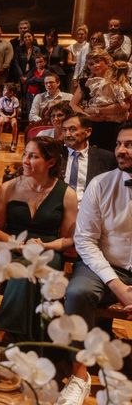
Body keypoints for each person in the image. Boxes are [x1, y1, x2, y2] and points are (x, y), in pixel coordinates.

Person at [57, 122, 132, 405]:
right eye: (118, 144)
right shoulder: (100, 184)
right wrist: (118, 286)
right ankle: (79, 375)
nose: (121, 150)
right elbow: (85, 240)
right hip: (102, 265)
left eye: (129, 144)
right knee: (78, 293)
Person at [0, 136, 77, 347]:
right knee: (24, 268)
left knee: (33, 268)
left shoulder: (67, 194)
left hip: (48, 251)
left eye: (33, 156)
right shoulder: (8, 188)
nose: (25, 160)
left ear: (51, 162)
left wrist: (45, 246)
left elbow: (68, 239)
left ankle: (0, 332)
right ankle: (23, 338)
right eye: (25, 154)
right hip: (11, 246)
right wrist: (19, 245)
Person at [70, 48, 132, 150]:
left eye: (98, 61)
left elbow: (126, 105)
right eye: (91, 64)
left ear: (107, 61)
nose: (95, 65)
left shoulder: (117, 79)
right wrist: (88, 116)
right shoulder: (85, 82)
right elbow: (73, 104)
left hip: (115, 126)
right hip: (94, 125)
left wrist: (98, 110)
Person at [61, 113, 118, 204]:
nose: (67, 134)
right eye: (64, 130)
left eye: (72, 129)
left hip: (91, 210)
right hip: (59, 211)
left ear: (88, 132)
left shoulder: (106, 158)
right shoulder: (55, 155)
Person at [67, 24, 90, 91]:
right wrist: (79, 63)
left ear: (85, 35)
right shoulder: (71, 47)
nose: (80, 36)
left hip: (86, 72)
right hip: (73, 71)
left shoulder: (89, 46)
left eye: (82, 34)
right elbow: (69, 61)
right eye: (78, 34)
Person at [0, 83, 20, 152]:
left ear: (11, 92)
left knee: (14, 123)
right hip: (3, 114)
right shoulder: (1, 99)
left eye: (5, 90)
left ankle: (13, 142)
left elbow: (15, 113)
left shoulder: (15, 100)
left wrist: (10, 117)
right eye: (3, 89)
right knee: (1, 121)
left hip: (11, 115)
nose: (3, 91)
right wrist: (5, 117)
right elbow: (0, 111)